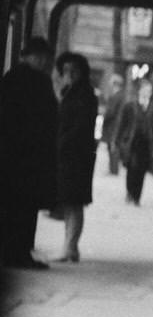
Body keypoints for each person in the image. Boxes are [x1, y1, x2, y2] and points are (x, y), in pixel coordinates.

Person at [0, 36, 59, 270]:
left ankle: (14, 251)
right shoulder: (35, 82)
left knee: (14, 207)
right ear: (31, 56)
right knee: (24, 208)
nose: (46, 62)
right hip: (28, 158)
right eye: (42, 57)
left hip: (13, 156)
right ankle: (18, 252)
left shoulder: (11, 78)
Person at [53, 51, 100, 263]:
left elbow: (78, 126)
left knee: (74, 202)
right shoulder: (71, 92)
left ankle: (70, 246)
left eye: (74, 70)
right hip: (72, 154)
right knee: (70, 202)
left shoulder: (84, 95)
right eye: (66, 71)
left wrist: (61, 144)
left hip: (76, 155)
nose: (69, 74)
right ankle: (70, 246)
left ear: (82, 72)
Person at [115, 78, 153, 205]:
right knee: (132, 168)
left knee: (142, 170)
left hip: (146, 143)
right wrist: (117, 140)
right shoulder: (130, 106)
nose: (147, 93)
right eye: (144, 90)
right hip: (132, 142)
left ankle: (137, 196)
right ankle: (130, 192)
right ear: (139, 91)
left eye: (149, 91)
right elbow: (122, 124)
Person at [101, 76, 126, 175]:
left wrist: (104, 114)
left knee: (113, 146)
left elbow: (111, 112)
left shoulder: (116, 96)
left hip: (113, 125)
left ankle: (113, 170)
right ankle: (113, 169)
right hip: (115, 124)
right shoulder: (120, 95)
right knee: (112, 146)